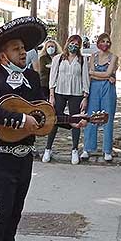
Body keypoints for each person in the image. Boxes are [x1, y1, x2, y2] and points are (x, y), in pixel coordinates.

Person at [0, 17, 85, 241]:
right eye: (16, 49)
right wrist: (20, 119)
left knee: (16, 209)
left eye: (24, 48)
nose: (23, 52)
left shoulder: (31, 78)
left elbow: (42, 112)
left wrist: (71, 121)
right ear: (3, 56)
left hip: (24, 155)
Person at [43, 34, 90, 164]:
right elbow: (53, 77)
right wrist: (51, 95)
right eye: (71, 43)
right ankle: (48, 148)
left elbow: (85, 78)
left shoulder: (82, 60)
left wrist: (85, 97)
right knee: (55, 120)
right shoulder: (58, 59)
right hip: (59, 92)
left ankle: (74, 149)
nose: (73, 46)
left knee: (76, 120)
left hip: (76, 93)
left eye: (76, 44)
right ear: (67, 43)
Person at [82, 33, 118, 162]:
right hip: (94, 88)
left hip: (108, 89)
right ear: (98, 43)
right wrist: (105, 76)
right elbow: (90, 74)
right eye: (103, 41)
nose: (105, 44)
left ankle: (107, 150)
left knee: (107, 117)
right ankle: (87, 148)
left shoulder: (113, 57)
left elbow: (108, 73)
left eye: (108, 41)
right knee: (92, 116)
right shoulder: (93, 56)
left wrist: (98, 74)